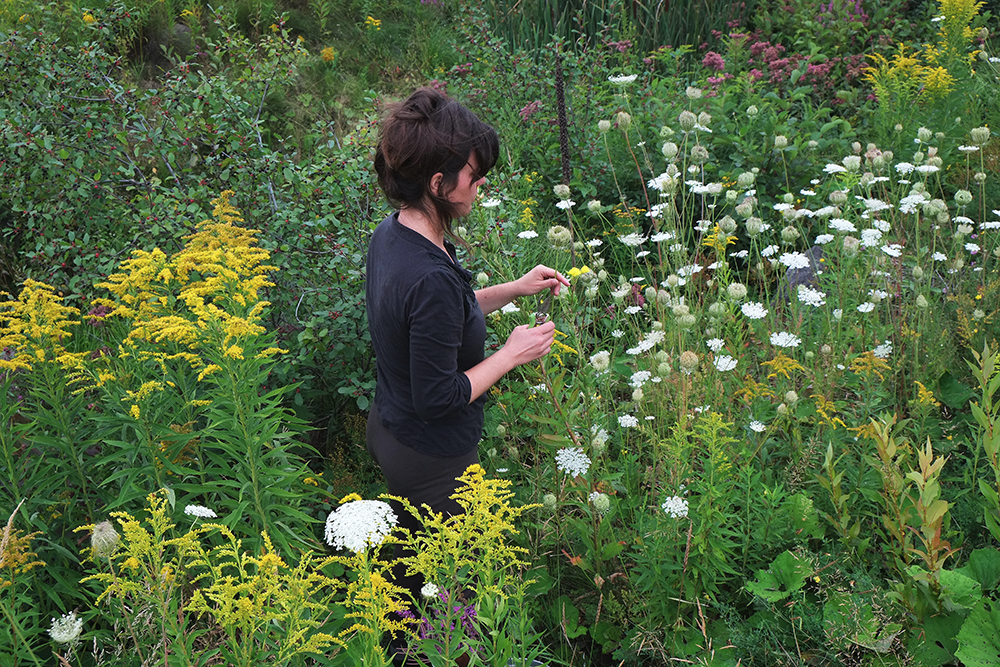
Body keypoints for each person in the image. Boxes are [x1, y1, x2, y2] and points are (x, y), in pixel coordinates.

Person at [365, 87, 568, 661]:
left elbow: (436, 320)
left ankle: (398, 651)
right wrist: (511, 355)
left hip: (391, 430)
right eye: (473, 177)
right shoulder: (428, 272)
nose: (479, 187)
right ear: (437, 183)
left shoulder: (397, 234)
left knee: (408, 581)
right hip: (431, 457)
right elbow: (439, 395)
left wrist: (515, 288)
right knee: (457, 601)